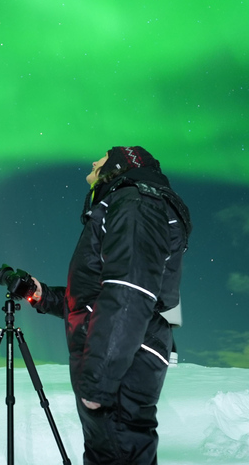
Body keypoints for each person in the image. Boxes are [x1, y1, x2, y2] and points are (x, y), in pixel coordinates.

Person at [27, 146, 191, 465]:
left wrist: (100, 381)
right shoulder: (127, 202)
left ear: (122, 161)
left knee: (118, 450)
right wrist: (43, 295)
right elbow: (97, 298)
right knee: (109, 450)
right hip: (125, 348)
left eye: (102, 157)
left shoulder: (137, 201)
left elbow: (130, 288)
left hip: (123, 357)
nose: (93, 161)